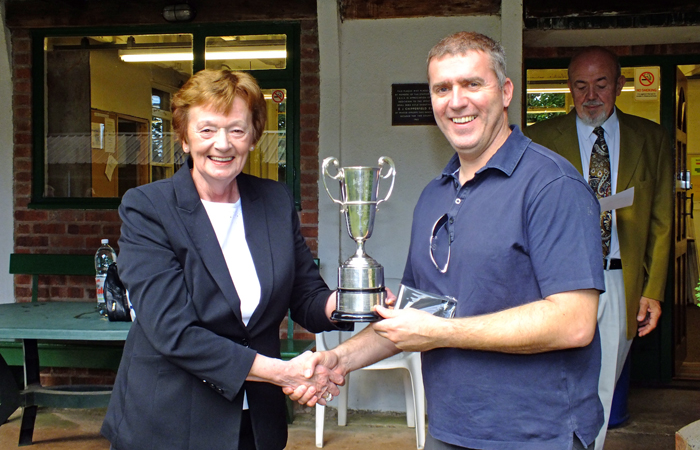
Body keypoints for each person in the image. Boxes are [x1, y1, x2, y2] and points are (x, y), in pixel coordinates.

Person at [296, 32, 605, 449]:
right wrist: (339, 360)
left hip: (535, 434)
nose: (456, 101)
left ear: (506, 91)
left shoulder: (552, 185)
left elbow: (574, 322)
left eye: (472, 84)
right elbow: (413, 316)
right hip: (450, 429)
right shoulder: (434, 195)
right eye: (442, 88)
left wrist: (443, 332)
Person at [101, 69, 348, 450]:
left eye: (236, 129)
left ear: (253, 137)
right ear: (183, 138)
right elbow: (174, 331)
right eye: (207, 130)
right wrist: (281, 373)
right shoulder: (148, 208)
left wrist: (351, 302)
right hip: (168, 423)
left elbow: (304, 295)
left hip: (255, 422)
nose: (222, 144)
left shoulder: (274, 201)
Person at [524, 46, 673, 449]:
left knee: (604, 388)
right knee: (550, 381)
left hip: (620, 280)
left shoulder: (652, 138)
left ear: (620, 85)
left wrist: (652, 291)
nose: (591, 94)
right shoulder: (538, 138)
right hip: (554, 285)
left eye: (601, 84)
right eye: (580, 85)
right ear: (569, 88)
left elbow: (662, 221)